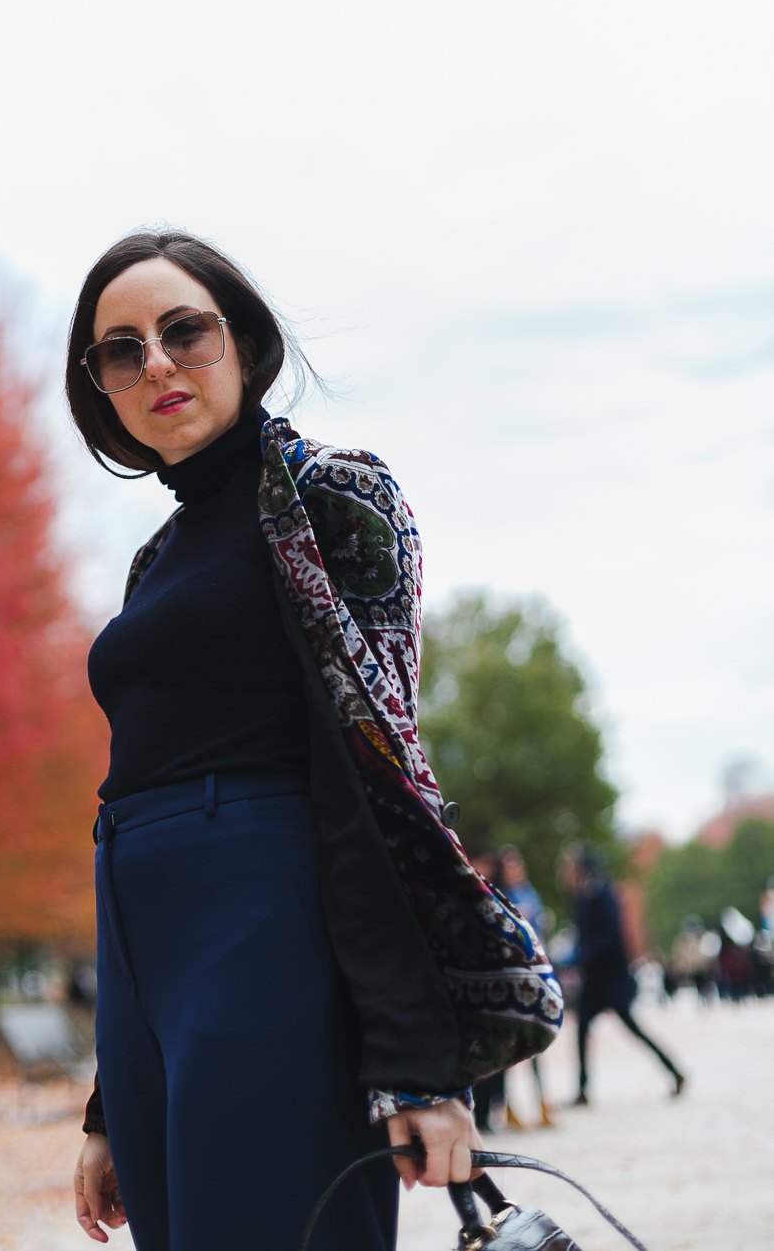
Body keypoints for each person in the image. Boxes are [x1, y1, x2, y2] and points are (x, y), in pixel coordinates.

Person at [67, 231, 563, 1251]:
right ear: (103, 390)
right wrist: (110, 1102)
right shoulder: (154, 561)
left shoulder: (330, 498)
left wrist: (419, 1064)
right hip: (141, 960)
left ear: (242, 344)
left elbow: (380, 777)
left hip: (264, 932)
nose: (155, 362)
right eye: (122, 350)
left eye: (183, 331)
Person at [560, 844, 685, 1105]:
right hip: (594, 983)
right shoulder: (581, 896)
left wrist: (585, 952)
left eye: (570, 866)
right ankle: (583, 1089)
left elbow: (612, 935)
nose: (566, 871)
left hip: (612, 981)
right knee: (582, 1031)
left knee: (634, 1029)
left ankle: (675, 1071)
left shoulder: (602, 893)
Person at [495, 846, 554, 1127]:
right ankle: (508, 1107)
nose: (514, 869)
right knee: (509, 1048)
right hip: (513, 978)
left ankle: (543, 1104)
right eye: (508, 865)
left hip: (534, 976)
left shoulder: (532, 895)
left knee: (536, 1045)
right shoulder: (501, 895)